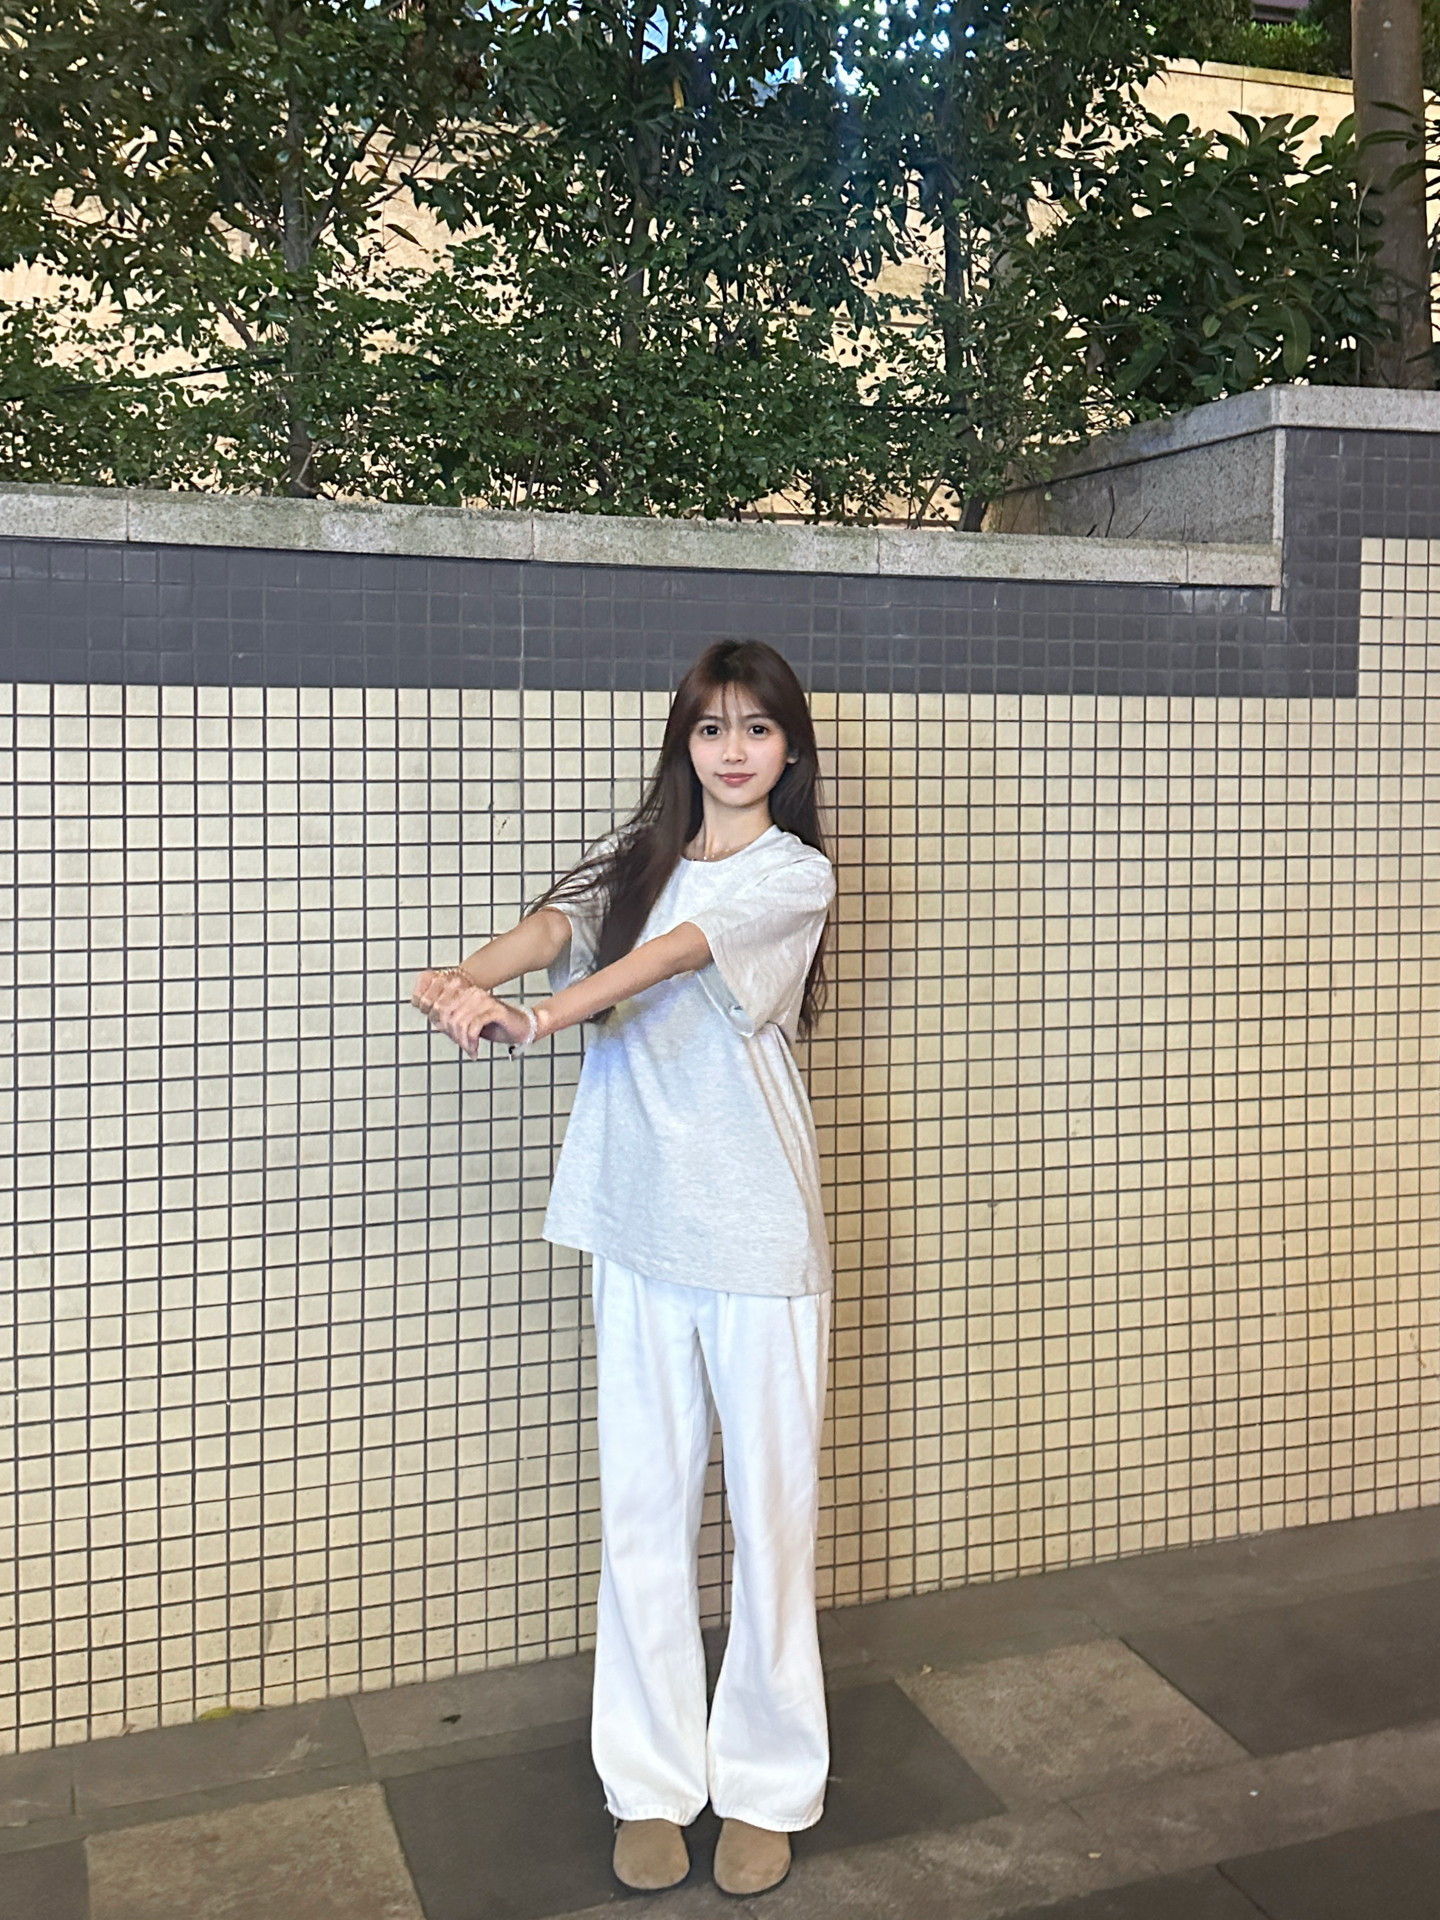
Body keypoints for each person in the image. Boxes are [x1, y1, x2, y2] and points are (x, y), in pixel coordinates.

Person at [410, 639, 836, 1899]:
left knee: (770, 1522)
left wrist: (541, 1015)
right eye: (710, 728)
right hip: (638, 1226)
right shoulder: (644, 857)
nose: (732, 750)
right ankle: (650, 1782)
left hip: (757, 1237)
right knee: (644, 1515)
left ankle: (766, 1785)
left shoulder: (791, 874)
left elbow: (674, 955)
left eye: (756, 729)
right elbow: (566, 922)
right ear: (684, 744)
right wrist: (468, 977)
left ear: (788, 751)